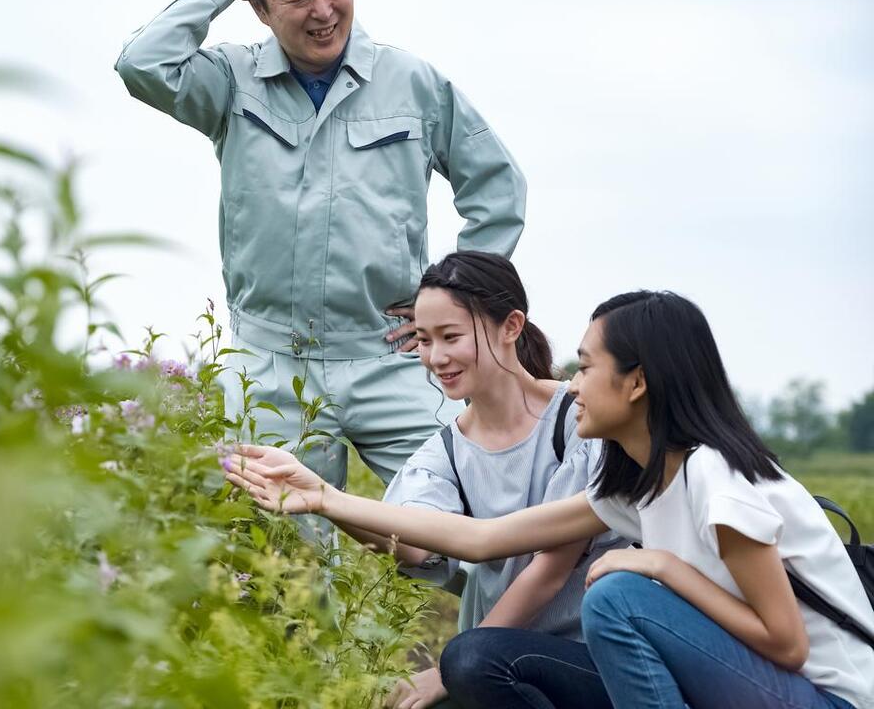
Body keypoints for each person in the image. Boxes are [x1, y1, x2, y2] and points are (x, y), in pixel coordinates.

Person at [223, 291, 874, 709]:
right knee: (478, 652)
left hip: (821, 696)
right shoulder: (638, 488)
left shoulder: (715, 479)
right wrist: (324, 498)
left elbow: (787, 646)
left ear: (638, 382)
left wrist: (663, 567)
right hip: (745, 682)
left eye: (587, 366)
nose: (570, 381)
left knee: (619, 595)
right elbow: (480, 540)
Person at [115, 0, 527, 504]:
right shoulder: (231, 80)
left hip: (391, 356)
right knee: (278, 554)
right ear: (259, 6)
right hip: (269, 364)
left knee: (475, 521)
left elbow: (497, 188)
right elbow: (142, 64)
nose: (324, 10)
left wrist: (459, 300)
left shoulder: (412, 82)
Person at [252, 251, 621, 709]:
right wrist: (319, 498)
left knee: (463, 665)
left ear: (511, 326)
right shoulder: (443, 451)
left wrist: (448, 668)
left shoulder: (580, 421)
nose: (436, 357)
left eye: (451, 337)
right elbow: (413, 545)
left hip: (593, 660)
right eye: (424, 340)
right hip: (498, 664)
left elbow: (548, 573)